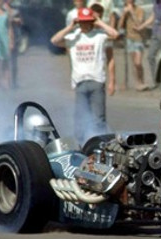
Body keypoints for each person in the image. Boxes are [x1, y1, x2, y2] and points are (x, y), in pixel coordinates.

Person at [50, 7, 118, 144]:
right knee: (80, 119)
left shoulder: (99, 36)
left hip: (96, 81)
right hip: (80, 83)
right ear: (78, 22)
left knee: (99, 119)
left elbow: (115, 34)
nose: (85, 24)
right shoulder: (73, 37)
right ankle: (81, 145)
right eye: (82, 22)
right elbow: (54, 41)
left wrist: (100, 22)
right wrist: (70, 26)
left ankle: (101, 146)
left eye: (88, 21)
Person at [135, 0, 161, 80]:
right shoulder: (155, 2)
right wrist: (141, 27)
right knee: (150, 56)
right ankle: (156, 79)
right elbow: (153, 17)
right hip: (155, 31)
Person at [118, 0, 147, 91]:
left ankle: (142, 80)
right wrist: (124, 14)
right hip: (129, 38)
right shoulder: (124, 11)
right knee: (134, 63)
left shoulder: (139, 10)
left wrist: (132, 12)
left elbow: (139, 23)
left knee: (138, 62)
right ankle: (138, 83)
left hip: (139, 38)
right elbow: (120, 26)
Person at [90, 2, 115, 96]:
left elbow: (110, 59)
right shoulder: (80, 32)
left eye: (98, 17)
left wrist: (112, 81)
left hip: (98, 78)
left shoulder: (104, 35)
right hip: (82, 78)